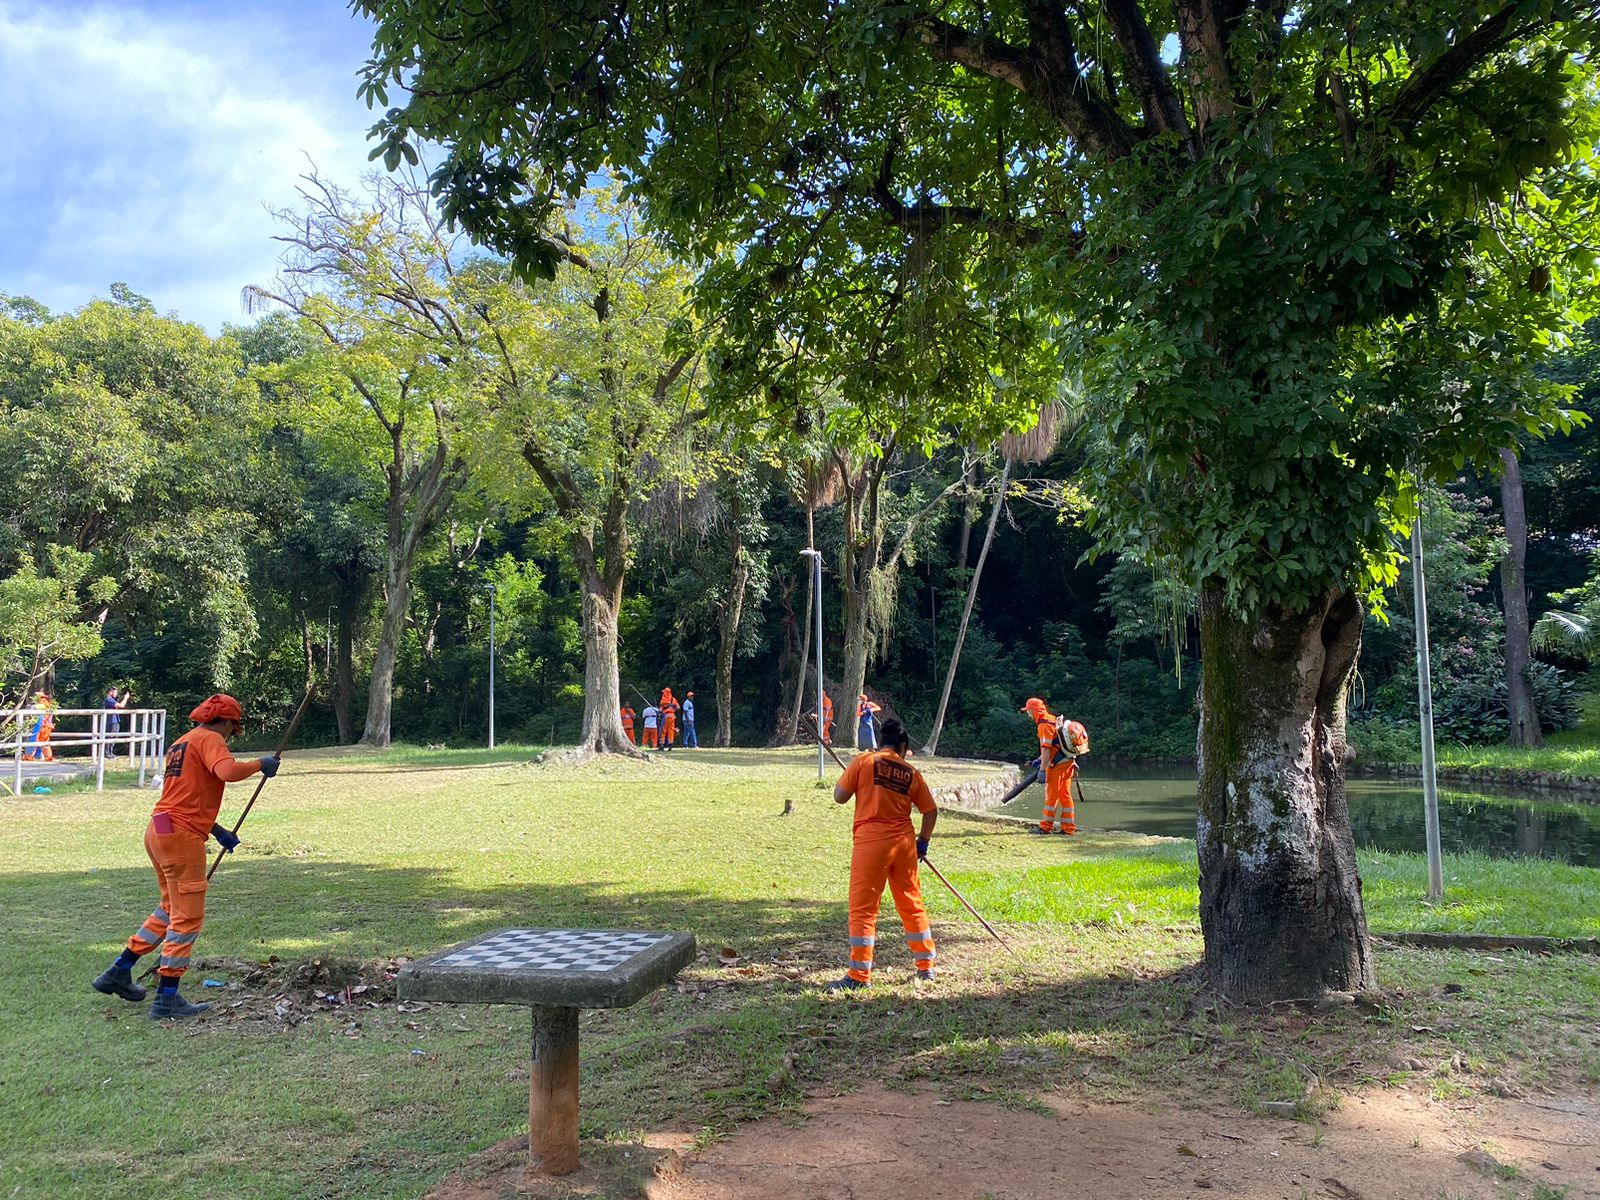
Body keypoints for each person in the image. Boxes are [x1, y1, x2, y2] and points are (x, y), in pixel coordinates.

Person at [91, 694, 280, 1020]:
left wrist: (216, 830)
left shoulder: (183, 741)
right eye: (233, 729)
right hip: (180, 836)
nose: (231, 736)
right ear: (227, 722)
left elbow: (184, 795)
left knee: (169, 907)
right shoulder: (210, 739)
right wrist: (261, 765)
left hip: (159, 827)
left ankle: (119, 971)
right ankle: (167, 997)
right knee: (187, 917)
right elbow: (227, 771)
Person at [830, 717, 938, 991]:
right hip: (903, 845)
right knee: (911, 903)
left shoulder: (863, 762)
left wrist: (855, 782)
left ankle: (859, 975)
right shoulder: (911, 772)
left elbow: (839, 797)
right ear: (902, 747)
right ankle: (926, 968)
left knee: (864, 908)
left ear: (881, 742)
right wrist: (922, 842)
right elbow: (930, 810)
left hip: (871, 844)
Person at [1021, 697, 1089, 835]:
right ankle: (1068, 828)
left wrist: (1042, 770)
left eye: (1029, 712)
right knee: (1065, 795)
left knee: (1051, 796)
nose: (1028, 715)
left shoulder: (1043, 726)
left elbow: (1046, 749)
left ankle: (1045, 827)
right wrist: (1039, 760)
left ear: (1034, 711)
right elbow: (1055, 746)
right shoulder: (1052, 719)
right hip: (1068, 762)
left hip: (1057, 765)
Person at [22, 692, 54, 762]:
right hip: (47, 726)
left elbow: (39, 707)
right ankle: (47, 757)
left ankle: (28, 756)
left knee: (33, 740)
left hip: (42, 725)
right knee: (44, 742)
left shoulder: (43, 702)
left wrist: (32, 707)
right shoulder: (47, 703)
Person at [105, 686, 132, 762]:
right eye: (115, 692)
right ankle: (107, 753)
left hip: (115, 720)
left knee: (114, 737)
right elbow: (121, 706)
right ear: (111, 692)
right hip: (111, 721)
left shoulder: (112, 700)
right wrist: (126, 698)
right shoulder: (108, 700)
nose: (116, 694)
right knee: (110, 737)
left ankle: (110, 752)